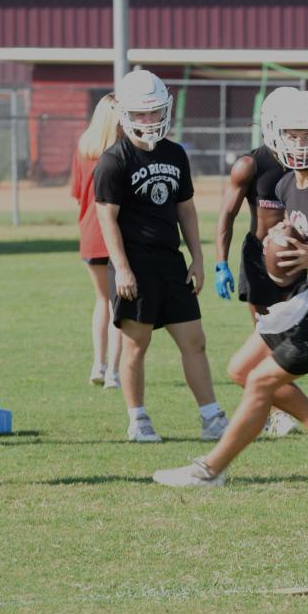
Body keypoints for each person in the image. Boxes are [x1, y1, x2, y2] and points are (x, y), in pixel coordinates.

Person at [153, 87, 308, 488]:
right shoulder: (286, 185)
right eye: (293, 135)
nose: (300, 145)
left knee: (262, 381)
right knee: (240, 370)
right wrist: (284, 237)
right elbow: (302, 232)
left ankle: (211, 470)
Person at [94, 69, 228, 444]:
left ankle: (211, 417)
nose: (150, 121)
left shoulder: (175, 154)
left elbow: (186, 209)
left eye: (155, 112)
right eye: (141, 114)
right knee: (137, 344)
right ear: (126, 114)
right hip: (134, 264)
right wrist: (121, 268)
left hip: (171, 261)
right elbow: (107, 218)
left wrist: (197, 258)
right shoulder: (113, 160)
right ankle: (137, 419)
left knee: (194, 340)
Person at [213, 97, 297, 438]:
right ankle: (275, 410)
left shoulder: (306, 163)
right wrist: (220, 262)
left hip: (296, 260)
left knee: (291, 339)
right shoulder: (250, 164)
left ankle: (272, 405)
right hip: (257, 260)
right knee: (267, 337)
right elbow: (227, 215)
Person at [72, 94, 123, 388]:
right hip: (116, 234)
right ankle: (114, 372)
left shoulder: (84, 147)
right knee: (119, 306)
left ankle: (98, 364)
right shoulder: (121, 151)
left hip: (90, 234)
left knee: (102, 300)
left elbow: (78, 192)